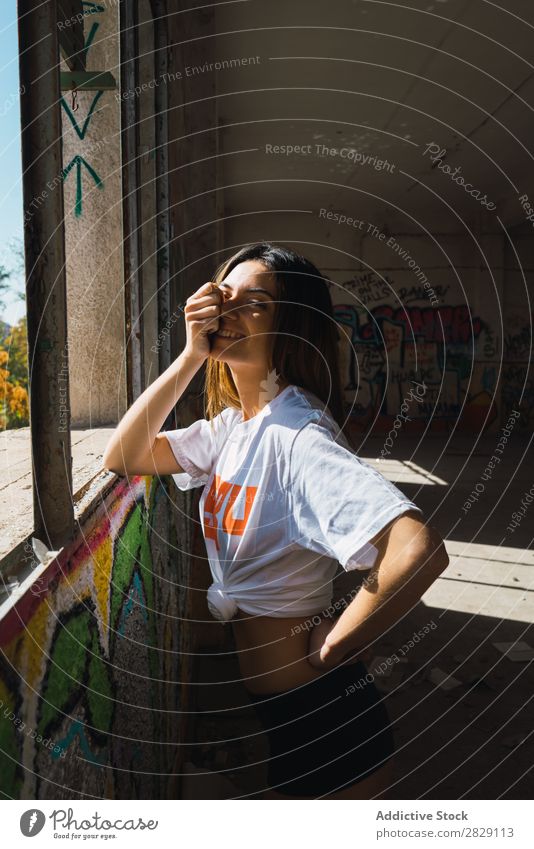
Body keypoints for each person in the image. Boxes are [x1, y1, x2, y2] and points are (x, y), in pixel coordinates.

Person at [103, 242, 449, 800]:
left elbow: (418, 549)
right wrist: (191, 355)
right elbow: (123, 455)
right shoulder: (234, 430)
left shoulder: (298, 435)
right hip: (280, 719)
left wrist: (330, 647)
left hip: (328, 727)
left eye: (255, 304)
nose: (229, 313)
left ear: (290, 326)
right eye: (223, 297)